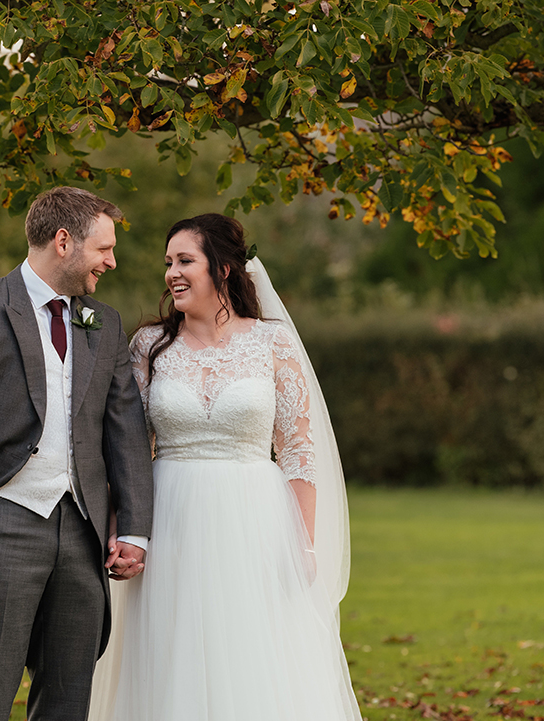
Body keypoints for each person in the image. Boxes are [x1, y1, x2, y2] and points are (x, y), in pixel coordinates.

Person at [88, 213, 361, 721]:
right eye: (168, 262)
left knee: (253, 650)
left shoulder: (272, 343)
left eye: (185, 260)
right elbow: (125, 450)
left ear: (224, 269)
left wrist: (303, 543)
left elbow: (299, 451)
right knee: (174, 652)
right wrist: (121, 529)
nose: (172, 273)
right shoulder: (149, 347)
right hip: (170, 521)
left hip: (256, 522)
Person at [0, 186, 155, 721]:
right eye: (104, 249)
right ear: (63, 241)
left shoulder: (104, 323)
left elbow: (125, 431)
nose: (111, 262)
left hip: (84, 533)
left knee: (68, 699)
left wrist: (132, 529)